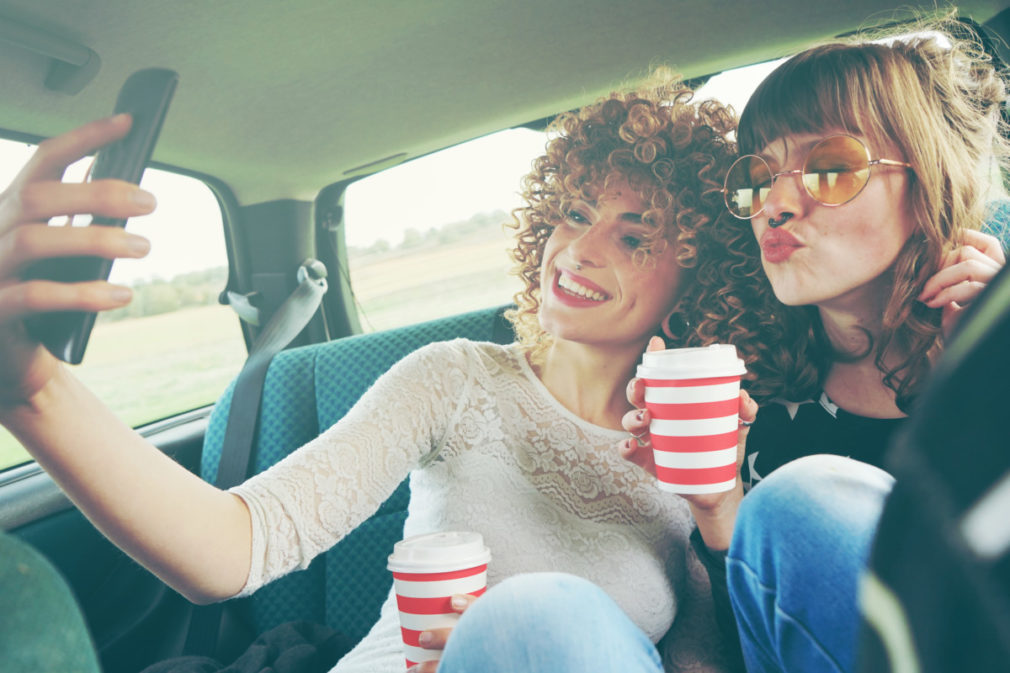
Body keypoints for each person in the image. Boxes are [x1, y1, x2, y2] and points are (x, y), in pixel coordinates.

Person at [0, 72, 748, 672]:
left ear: (697, 273)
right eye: (577, 212)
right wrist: (32, 389)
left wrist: (716, 514)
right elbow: (234, 546)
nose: (581, 250)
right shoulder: (454, 379)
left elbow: (704, 661)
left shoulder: (700, 442)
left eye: (635, 235)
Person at [435, 15, 1008, 673]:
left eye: (829, 167)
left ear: (928, 179)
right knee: (526, 617)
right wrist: (715, 505)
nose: (776, 203)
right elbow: (734, 653)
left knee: (804, 504)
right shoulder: (731, 376)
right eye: (759, 177)